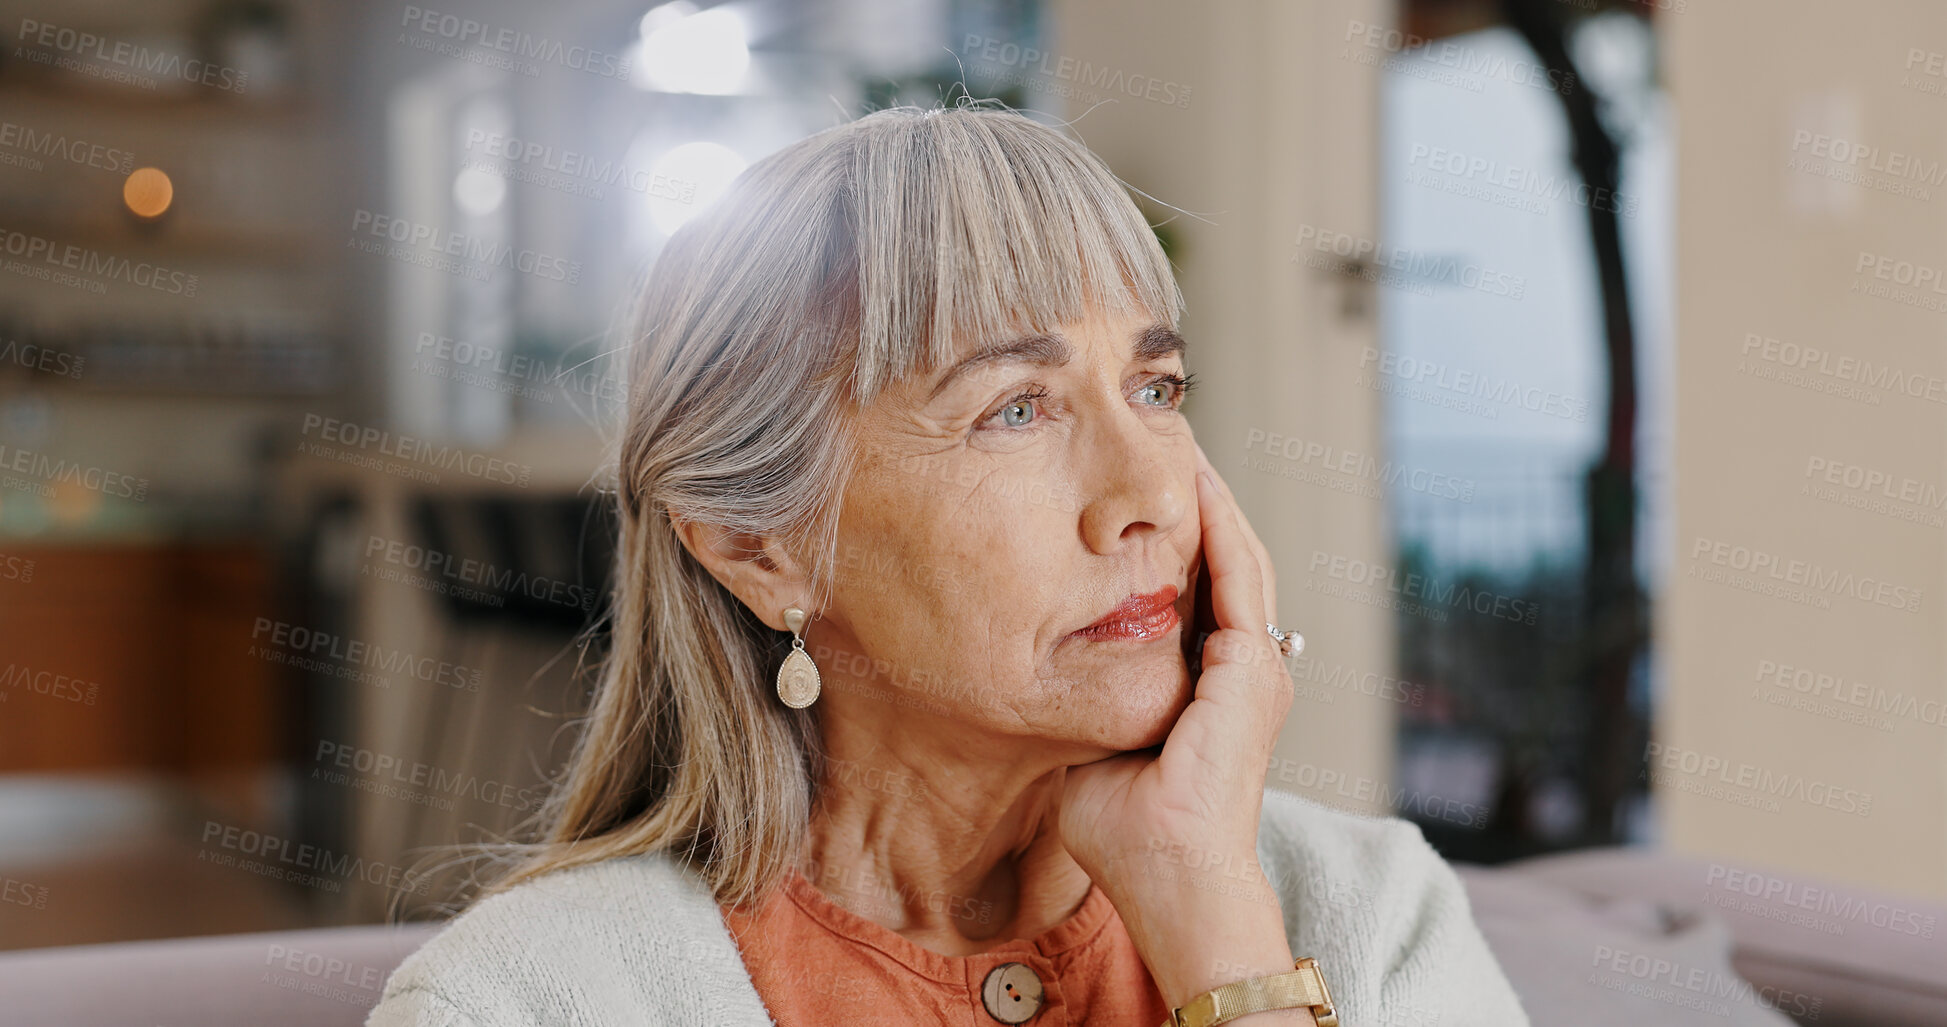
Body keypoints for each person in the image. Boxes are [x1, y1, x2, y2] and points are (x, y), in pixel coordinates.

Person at [367, 103, 1529, 1027]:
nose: (1150, 495)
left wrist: (1219, 931)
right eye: (1016, 409)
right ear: (756, 548)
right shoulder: (524, 1002)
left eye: (1155, 388)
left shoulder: (1372, 911)